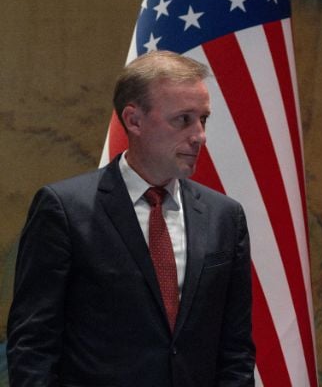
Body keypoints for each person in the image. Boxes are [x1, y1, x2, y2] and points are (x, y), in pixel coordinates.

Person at [7, 51, 255, 386]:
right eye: (183, 119)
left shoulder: (225, 216)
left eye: (203, 119)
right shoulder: (65, 209)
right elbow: (33, 346)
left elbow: (235, 349)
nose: (199, 135)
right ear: (134, 120)